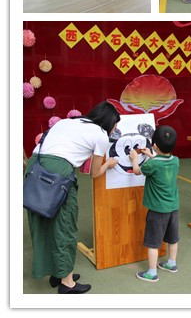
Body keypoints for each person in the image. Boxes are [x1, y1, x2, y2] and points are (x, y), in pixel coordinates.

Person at [24, 101, 120, 294]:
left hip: (35, 168)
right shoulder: (100, 135)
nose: (114, 130)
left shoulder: (67, 121)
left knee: (43, 223)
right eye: (115, 126)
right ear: (109, 123)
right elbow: (94, 173)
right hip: (57, 174)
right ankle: (67, 283)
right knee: (65, 225)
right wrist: (108, 164)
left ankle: (57, 273)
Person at [130, 125, 180, 283]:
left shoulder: (152, 165)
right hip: (173, 208)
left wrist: (135, 158)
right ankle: (171, 263)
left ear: (155, 145)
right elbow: (161, 164)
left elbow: (137, 171)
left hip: (157, 210)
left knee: (153, 243)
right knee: (173, 238)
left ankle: (152, 273)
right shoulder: (176, 161)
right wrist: (152, 155)